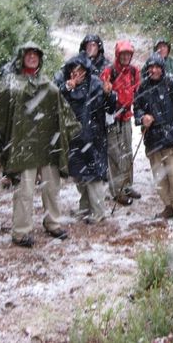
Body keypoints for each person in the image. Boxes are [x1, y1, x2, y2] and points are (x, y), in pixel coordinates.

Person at [0, 42, 81, 248]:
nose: (32, 58)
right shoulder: (12, 84)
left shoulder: (48, 85)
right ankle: (21, 232)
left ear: (40, 59)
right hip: (24, 146)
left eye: (36, 55)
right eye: (28, 55)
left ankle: (53, 223)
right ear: (22, 57)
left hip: (48, 146)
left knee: (51, 188)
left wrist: (69, 129)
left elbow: (60, 111)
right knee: (25, 191)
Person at [59, 53, 118, 224]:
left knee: (94, 176)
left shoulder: (97, 84)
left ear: (86, 70)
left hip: (94, 137)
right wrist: (67, 88)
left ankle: (99, 212)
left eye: (80, 69)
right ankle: (85, 207)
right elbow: (58, 102)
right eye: (73, 69)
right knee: (78, 175)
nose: (77, 73)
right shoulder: (68, 87)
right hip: (75, 138)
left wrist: (109, 94)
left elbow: (110, 108)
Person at [134, 53, 173, 226]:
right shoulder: (143, 87)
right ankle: (169, 206)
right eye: (151, 67)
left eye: (157, 67)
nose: (154, 70)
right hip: (152, 140)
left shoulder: (172, 82)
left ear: (162, 68)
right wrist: (142, 117)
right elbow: (136, 107)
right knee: (160, 178)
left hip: (171, 141)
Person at [100, 39, 142, 206]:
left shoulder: (134, 72)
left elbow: (138, 92)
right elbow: (101, 94)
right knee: (114, 154)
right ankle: (117, 190)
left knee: (127, 152)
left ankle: (127, 185)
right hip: (111, 118)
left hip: (126, 116)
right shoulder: (108, 71)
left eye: (128, 54)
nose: (125, 57)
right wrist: (106, 92)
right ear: (118, 55)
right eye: (123, 54)